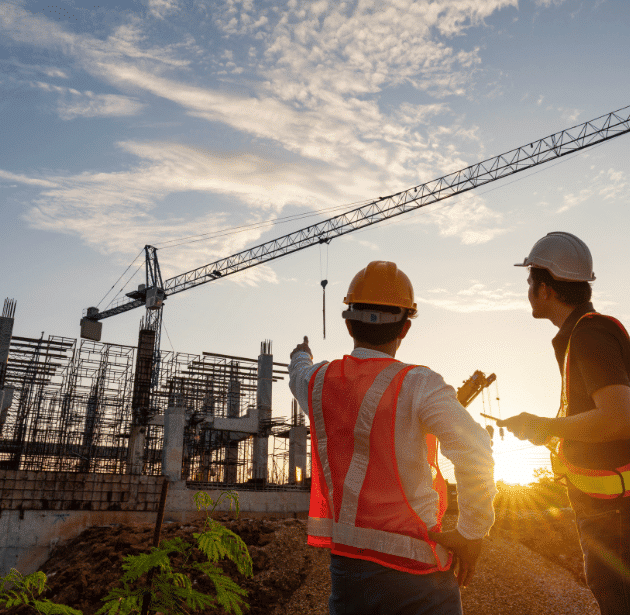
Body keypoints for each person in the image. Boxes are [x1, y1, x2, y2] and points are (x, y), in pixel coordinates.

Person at [288, 261, 496, 615]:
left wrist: (300, 352)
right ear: (406, 327)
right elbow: (475, 448)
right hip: (416, 574)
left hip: (349, 572)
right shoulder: (419, 384)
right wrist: (472, 531)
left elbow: (298, 373)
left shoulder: (319, 382)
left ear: (348, 322)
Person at [497, 231, 630, 615]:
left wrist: (546, 426)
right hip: (611, 510)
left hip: (615, 516)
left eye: (529, 282)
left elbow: (618, 418)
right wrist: (547, 432)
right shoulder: (584, 336)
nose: (527, 290)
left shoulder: (589, 335)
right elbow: (600, 421)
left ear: (546, 290)